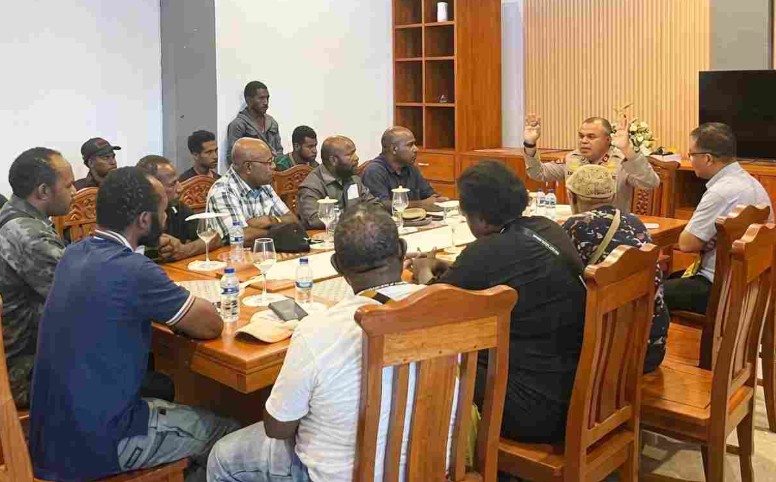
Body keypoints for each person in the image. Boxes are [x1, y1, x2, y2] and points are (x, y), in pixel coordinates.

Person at [208, 204, 458, 482]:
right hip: (433, 469)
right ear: (402, 249)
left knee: (223, 455)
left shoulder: (318, 330)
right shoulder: (450, 310)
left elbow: (277, 428)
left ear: (337, 265)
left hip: (341, 476)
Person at [29, 167, 238, 482]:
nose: (166, 218)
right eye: (163, 212)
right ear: (144, 220)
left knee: (170, 392)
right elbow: (210, 325)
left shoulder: (74, 253)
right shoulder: (134, 270)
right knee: (228, 433)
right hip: (99, 443)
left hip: (53, 435)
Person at [406, 161, 585, 443]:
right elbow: (507, 272)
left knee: (429, 356)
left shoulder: (484, 252)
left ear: (478, 217)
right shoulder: (547, 227)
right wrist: (448, 268)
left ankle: (437, 456)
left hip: (533, 406)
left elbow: (431, 309)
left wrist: (424, 272)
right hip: (579, 385)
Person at [0, 147, 75, 408]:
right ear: (43, 191)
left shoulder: (10, 213)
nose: (75, 191)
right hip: (24, 374)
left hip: (5, 360)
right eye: (69, 185)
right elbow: (81, 299)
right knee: (138, 368)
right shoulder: (31, 236)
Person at [561, 164, 668, 373]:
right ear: (613, 196)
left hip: (605, 355)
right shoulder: (635, 222)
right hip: (651, 348)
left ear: (571, 196)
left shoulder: (575, 225)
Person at [664, 123, 773, 315]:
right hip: (749, 283)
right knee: (669, 278)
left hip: (718, 287)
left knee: (644, 291)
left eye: (691, 154)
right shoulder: (751, 182)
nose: (690, 159)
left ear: (707, 158)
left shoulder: (720, 192)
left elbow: (687, 244)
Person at [522, 114, 659, 213]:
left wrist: (627, 150)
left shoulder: (621, 161)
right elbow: (538, 173)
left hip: (613, 228)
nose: (584, 141)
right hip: (579, 225)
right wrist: (530, 143)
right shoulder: (573, 158)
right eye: (581, 136)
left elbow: (650, 183)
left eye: (591, 137)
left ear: (608, 140)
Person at [205, 138, 298, 245]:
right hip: (234, 254)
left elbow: (293, 221)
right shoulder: (223, 190)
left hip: (265, 251)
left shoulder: (265, 186)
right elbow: (240, 237)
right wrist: (280, 231)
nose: (274, 166)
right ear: (248, 167)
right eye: (269, 162)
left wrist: (270, 220)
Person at [136, 155, 220, 261]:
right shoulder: (134, 217)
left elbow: (215, 238)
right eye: (173, 184)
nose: (180, 188)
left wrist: (184, 250)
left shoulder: (176, 206)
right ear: (153, 186)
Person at [297, 136, 381, 229]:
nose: (356, 158)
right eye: (350, 154)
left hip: (354, 233)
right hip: (324, 236)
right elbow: (313, 220)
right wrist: (354, 217)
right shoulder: (312, 186)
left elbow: (374, 205)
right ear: (333, 160)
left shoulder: (353, 178)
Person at [361, 126, 447, 210]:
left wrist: (439, 200)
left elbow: (429, 195)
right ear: (394, 149)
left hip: (416, 218)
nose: (416, 149)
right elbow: (381, 206)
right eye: (410, 145)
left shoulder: (411, 168)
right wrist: (421, 204)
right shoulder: (374, 171)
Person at [227, 81, 283, 157]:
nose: (266, 102)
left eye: (267, 98)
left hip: (273, 164)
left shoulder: (272, 122)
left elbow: (279, 151)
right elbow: (232, 156)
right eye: (261, 98)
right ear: (249, 100)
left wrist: (277, 159)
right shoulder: (239, 125)